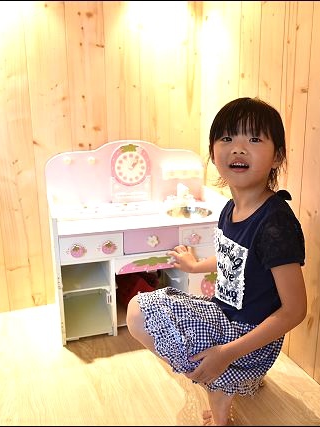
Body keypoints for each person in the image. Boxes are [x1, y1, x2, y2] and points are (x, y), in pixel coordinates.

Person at [126, 97, 307, 426]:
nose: (238, 148)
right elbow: (233, 260)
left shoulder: (275, 224)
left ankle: (223, 385)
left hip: (248, 336)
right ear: (212, 152)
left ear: (277, 157)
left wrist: (227, 354)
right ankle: (231, 378)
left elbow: (295, 310)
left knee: (138, 311)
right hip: (225, 316)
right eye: (227, 138)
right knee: (146, 310)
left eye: (254, 139)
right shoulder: (230, 208)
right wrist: (195, 266)